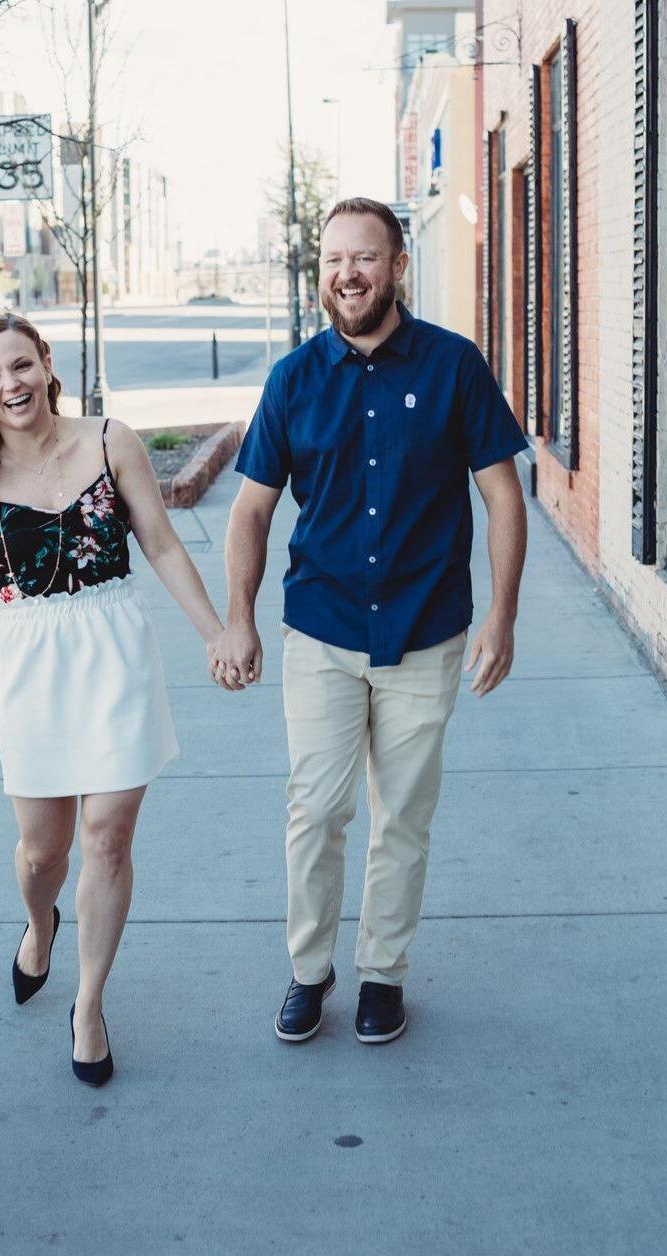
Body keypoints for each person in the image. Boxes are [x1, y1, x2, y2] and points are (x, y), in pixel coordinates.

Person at [212, 198, 530, 1046]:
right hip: (321, 628)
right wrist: (237, 620)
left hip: (426, 633)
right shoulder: (294, 380)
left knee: (403, 816)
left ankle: (383, 973)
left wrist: (502, 615)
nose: (346, 274)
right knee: (315, 809)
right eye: (332, 260)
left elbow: (503, 496)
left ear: (398, 267)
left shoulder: (457, 366)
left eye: (364, 257)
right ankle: (310, 971)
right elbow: (249, 512)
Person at [0, 313, 227, 1086]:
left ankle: (89, 1004)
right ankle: (39, 925)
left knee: (108, 838)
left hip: (116, 649)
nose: (11, 386)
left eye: (21, 366)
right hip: (31, 666)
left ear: (46, 363)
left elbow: (160, 542)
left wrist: (214, 633)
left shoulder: (107, 441)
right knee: (44, 850)